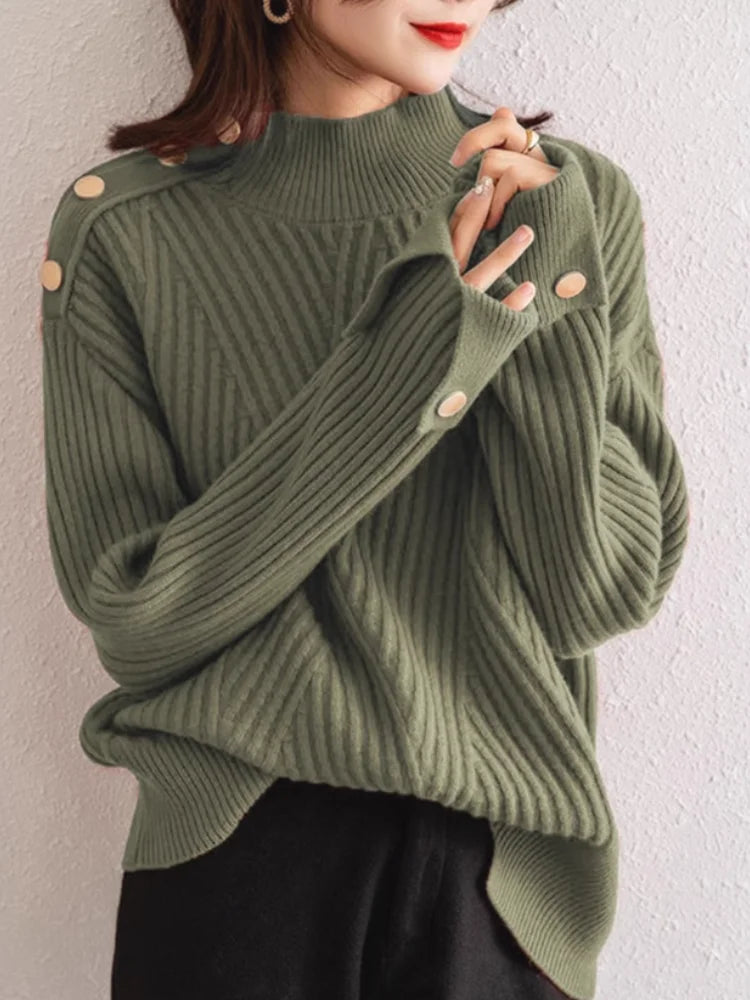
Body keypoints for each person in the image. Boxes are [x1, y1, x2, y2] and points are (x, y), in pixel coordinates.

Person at [38, 0, 690, 997]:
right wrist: (421, 354)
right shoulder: (124, 227)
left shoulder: (565, 202)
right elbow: (137, 619)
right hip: (238, 854)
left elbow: (597, 591)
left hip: (500, 874)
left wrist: (541, 302)